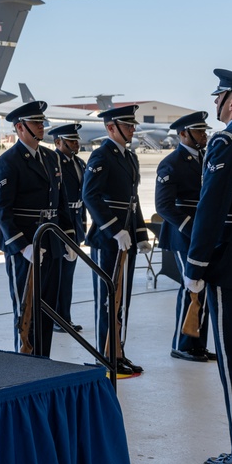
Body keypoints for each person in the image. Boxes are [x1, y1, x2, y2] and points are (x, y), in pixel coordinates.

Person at [185, 70, 232, 464]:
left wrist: (195, 265)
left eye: (219, 99)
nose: (217, 106)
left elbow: (211, 209)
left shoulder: (228, 141)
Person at [0, 101, 74, 357]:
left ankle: (43, 358)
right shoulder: (8, 162)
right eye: (35, 123)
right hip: (25, 245)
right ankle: (25, 360)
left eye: (41, 122)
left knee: (48, 306)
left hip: (50, 241)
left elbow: (61, 201)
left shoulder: (51, 157)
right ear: (20, 128)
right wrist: (22, 245)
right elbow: (2, 210)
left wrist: (69, 237)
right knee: (25, 307)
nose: (41, 126)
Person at [82, 105, 151, 376]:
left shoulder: (130, 157)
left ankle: (118, 351)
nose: (133, 129)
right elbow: (90, 196)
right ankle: (104, 355)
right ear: (111, 128)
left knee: (123, 299)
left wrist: (141, 234)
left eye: (132, 125)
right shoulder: (101, 156)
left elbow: (132, 202)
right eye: (127, 125)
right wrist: (113, 229)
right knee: (107, 299)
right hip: (108, 239)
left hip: (126, 237)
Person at [156, 111, 214, 363]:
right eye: (199, 132)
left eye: (204, 131)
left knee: (204, 288)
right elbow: (164, 206)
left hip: (203, 233)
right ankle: (181, 344)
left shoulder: (205, 159)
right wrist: (193, 228)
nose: (204, 136)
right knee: (191, 287)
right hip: (183, 234)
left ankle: (197, 343)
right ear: (183, 134)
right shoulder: (171, 163)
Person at [47, 123, 87, 334]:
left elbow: (83, 199)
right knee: (59, 275)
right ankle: (56, 318)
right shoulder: (54, 162)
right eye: (71, 141)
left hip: (76, 221)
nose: (76, 144)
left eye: (76, 140)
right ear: (58, 142)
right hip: (61, 222)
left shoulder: (79, 163)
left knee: (68, 275)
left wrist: (83, 226)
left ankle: (65, 317)